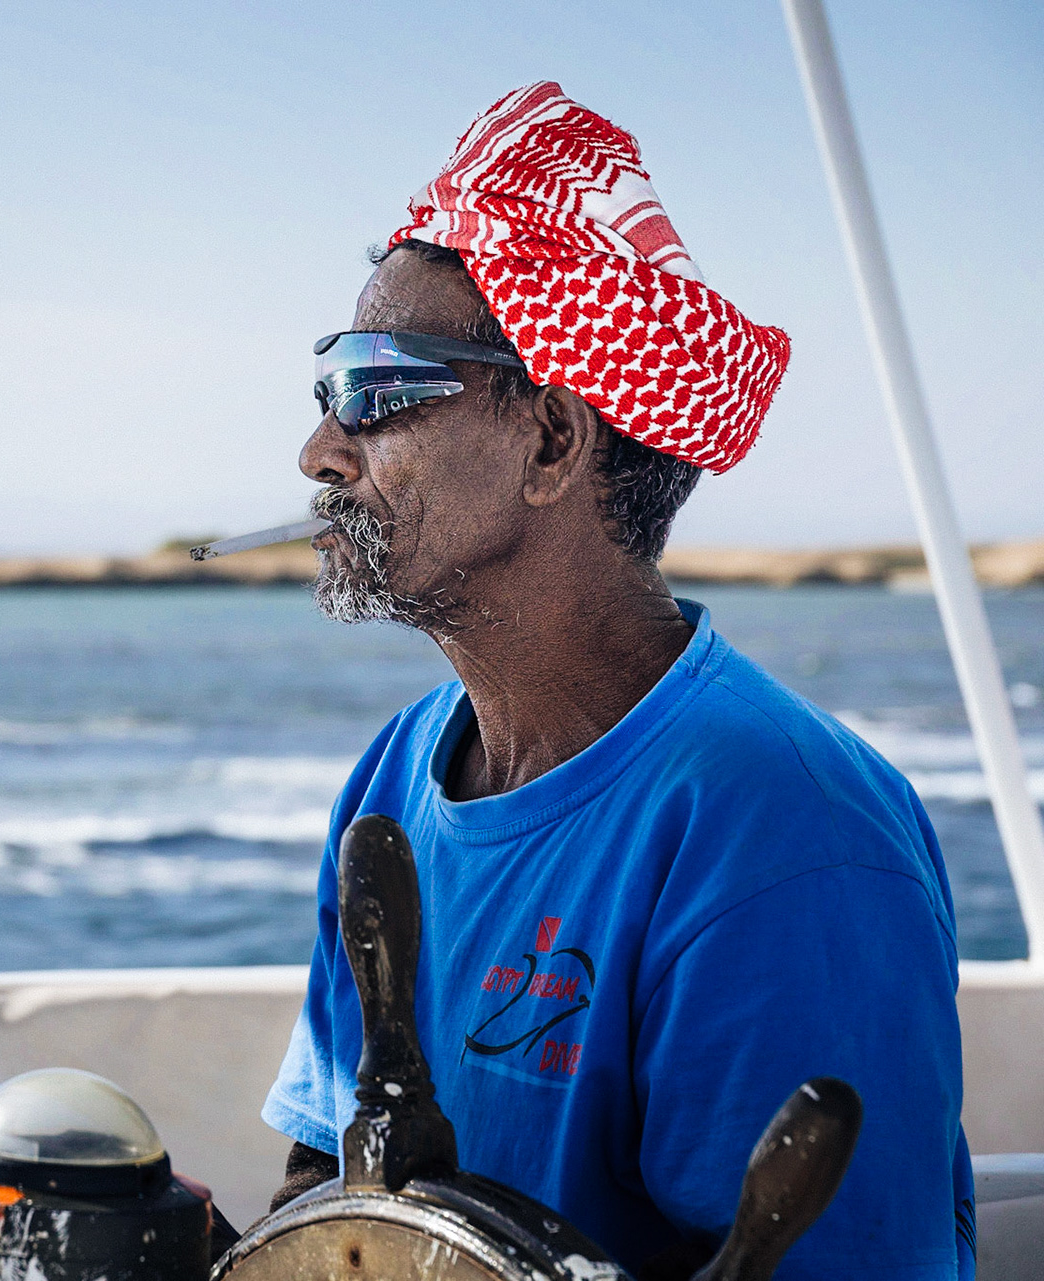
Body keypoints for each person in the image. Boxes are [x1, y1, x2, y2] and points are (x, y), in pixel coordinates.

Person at [261, 82, 972, 1279]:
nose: (319, 452)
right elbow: (328, 1187)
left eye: (378, 389)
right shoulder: (394, 774)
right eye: (331, 389)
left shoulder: (786, 837)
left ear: (550, 440)